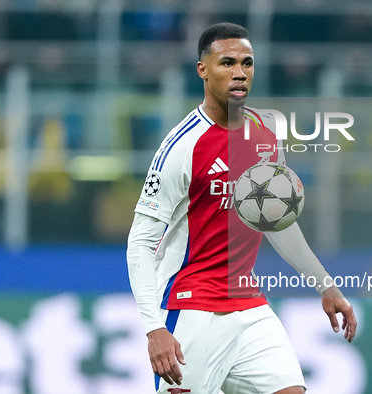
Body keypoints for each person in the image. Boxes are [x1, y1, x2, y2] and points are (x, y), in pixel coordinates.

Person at [127, 22, 357, 394]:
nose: (239, 73)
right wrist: (154, 330)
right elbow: (140, 242)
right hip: (191, 306)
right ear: (203, 70)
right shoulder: (182, 147)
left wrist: (325, 286)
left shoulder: (265, 134)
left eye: (247, 63)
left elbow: (276, 222)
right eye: (228, 63)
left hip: (248, 305)